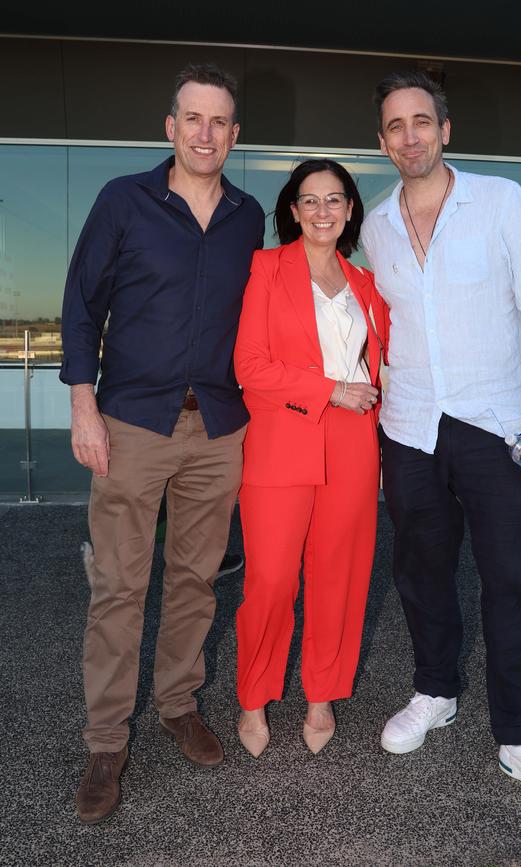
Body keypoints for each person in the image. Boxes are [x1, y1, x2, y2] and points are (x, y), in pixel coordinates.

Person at [361, 70, 521, 823]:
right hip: (409, 428)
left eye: (421, 121)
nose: (410, 136)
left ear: (445, 129)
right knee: (421, 571)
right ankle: (436, 689)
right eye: (395, 126)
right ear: (382, 141)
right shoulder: (374, 226)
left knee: (514, 582)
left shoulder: (499, 201)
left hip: (498, 428)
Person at [60, 62, 265, 824]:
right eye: (193, 118)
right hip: (132, 423)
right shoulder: (125, 201)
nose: (205, 133)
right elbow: (81, 306)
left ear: (234, 135)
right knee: (119, 584)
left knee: (196, 578)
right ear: (170, 127)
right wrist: (84, 405)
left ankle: (178, 701)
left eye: (220, 122)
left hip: (217, 425)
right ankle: (107, 741)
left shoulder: (249, 216)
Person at [233, 159, 386, 756]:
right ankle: (254, 695)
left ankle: (321, 693)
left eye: (334, 200)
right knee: (270, 579)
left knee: (339, 578)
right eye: (310, 200)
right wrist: (331, 390)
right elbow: (250, 365)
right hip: (280, 442)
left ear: (350, 210)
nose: (322, 211)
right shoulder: (266, 269)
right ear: (292, 211)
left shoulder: (368, 285)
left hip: (352, 446)